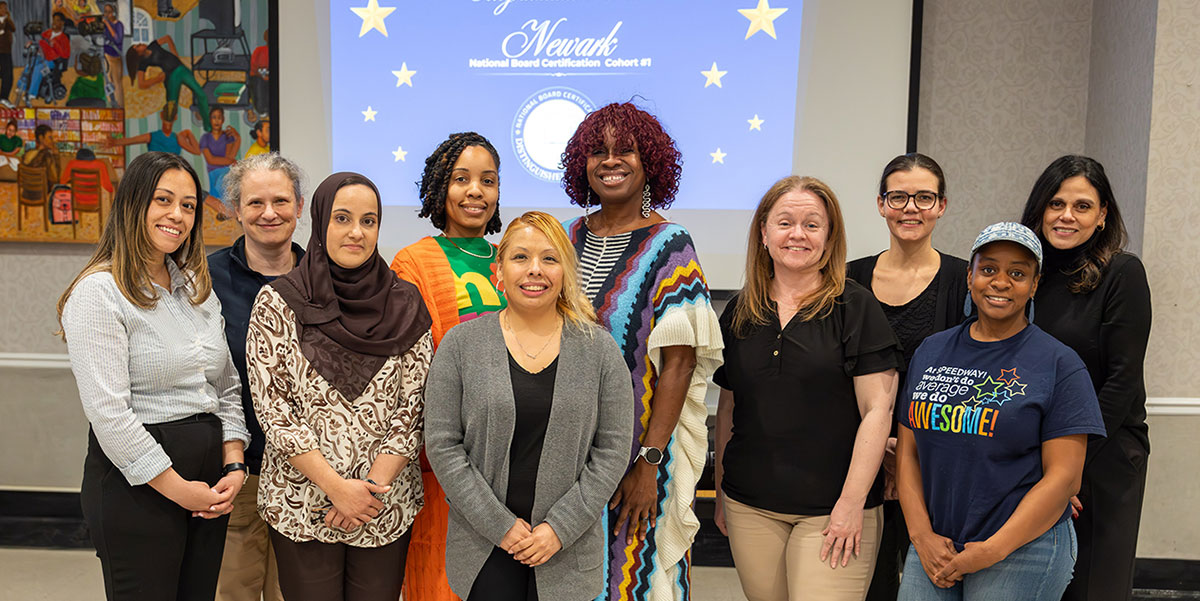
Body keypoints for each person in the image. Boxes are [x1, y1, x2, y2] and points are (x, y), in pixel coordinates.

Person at [56, 151, 251, 601]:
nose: (177, 215)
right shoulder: (99, 292)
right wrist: (180, 490)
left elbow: (226, 387)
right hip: (138, 487)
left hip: (208, 483)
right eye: (164, 200)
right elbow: (110, 415)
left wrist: (235, 462)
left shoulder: (195, 288)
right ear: (133, 203)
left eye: (187, 205)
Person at [425, 211, 635, 601]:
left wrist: (558, 528)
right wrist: (500, 526)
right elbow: (443, 445)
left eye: (549, 259)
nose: (534, 270)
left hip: (566, 551)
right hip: (484, 548)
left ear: (565, 273)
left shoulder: (600, 350)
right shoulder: (460, 345)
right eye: (520, 257)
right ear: (498, 272)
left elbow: (612, 452)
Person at [560, 102, 723, 600]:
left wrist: (649, 463)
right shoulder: (569, 237)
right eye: (598, 151)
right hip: (570, 452)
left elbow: (680, 363)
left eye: (625, 150)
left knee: (635, 579)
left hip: (640, 452)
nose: (611, 161)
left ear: (649, 161)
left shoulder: (670, 244)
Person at [246, 172, 432, 601]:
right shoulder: (278, 302)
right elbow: (275, 410)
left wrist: (366, 493)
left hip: (382, 503)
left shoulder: (407, 303)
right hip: (303, 501)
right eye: (342, 218)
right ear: (320, 221)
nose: (356, 232)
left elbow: (414, 407)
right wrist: (336, 488)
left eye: (369, 221)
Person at [896, 222, 1106, 600]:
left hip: (1024, 549)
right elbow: (909, 454)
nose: (1001, 282)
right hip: (935, 542)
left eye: (1017, 273)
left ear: (1035, 284)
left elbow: (1064, 480)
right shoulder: (930, 351)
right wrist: (921, 535)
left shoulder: (1060, 364)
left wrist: (992, 549)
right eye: (989, 269)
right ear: (970, 275)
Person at [713, 175, 900, 601]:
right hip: (750, 505)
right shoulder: (741, 310)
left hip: (834, 512)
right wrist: (723, 493)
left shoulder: (855, 307)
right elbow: (729, 408)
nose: (798, 234)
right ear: (763, 233)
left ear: (829, 237)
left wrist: (852, 505)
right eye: (784, 222)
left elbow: (877, 411)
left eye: (812, 224)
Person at [1018, 156, 1152, 601]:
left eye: (1082, 205)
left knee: (1092, 586)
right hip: (1029, 458)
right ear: (1039, 209)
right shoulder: (1025, 277)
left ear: (1102, 215)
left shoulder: (1122, 273)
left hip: (1102, 456)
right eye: (1056, 203)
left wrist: (1067, 470)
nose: (1066, 216)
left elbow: (1121, 381)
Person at [846, 153, 969, 601]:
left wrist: (909, 453)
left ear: (942, 206)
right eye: (898, 196)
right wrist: (878, 450)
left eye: (924, 197)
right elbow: (835, 376)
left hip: (939, 461)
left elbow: (970, 375)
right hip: (858, 460)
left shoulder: (964, 280)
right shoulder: (847, 279)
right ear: (881, 204)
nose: (910, 208)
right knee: (868, 585)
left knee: (935, 582)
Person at [390, 131, 506, 601]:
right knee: (442, 580)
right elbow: (407, 367)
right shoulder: (413, 262)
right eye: (461, 179)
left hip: (508, 458)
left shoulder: (515, 260)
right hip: (444, 461)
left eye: (488, 180)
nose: (476, 191)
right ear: (440, 188)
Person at [209, 153, 306, 601]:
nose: (269, 213)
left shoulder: (324, 279)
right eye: (255, 203)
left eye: (281, 200)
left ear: (300, 207)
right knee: (235, 590)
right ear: (235, 209)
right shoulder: (204, 280)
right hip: (237, 468)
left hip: (310, 472)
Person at [126, 35, 212, 131]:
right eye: (137, 46)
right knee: (171, 109)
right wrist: (157, 79)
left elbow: (167, 38)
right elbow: (141, 84)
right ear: (138, 54)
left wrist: (175, 55)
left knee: (201, 94)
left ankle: (207, 125)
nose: (140, 44)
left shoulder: (153, 45)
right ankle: (167, 133)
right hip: (171, 77)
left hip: (181, 69)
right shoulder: (143, 63)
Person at [199, 106, 240, 199]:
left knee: (226, 195)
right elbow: (210, 160)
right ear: (209, 119)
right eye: (214, 117)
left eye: (219, 117)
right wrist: (230, 161)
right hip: (213, 173)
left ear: (223, 119)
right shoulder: (205, 138)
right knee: (216, 197)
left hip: (226, 172)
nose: (216, 121)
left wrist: (237, 138)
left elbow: (230, 156)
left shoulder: (227, 136)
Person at [22, 124, 61, 188]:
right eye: (50, 137)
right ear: (41, 138)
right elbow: (55, 179)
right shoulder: (47, 157)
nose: (53, 141)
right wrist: (56, 156)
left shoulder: (27, 154)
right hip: (42, 194)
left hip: (27, 193)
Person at [101, 1, 123, 105]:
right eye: (105, 12)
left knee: (117, 82)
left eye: (109, 12)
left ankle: (119, 104)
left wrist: (107, 24)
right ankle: (111, 104)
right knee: (107, 81)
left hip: (115, 56)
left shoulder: (118, 25)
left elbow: (117, 39)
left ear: (114, 12)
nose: (107, 14)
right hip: (106, 55)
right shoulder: (104, 25)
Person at [0, 2, 15, 107]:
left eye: (6, 8)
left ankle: (4, 97)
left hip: (6, 51)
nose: (5, 10)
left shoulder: (7, 20)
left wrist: (7, 19)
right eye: (2, 8)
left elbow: (13, 29)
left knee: (8, 75)